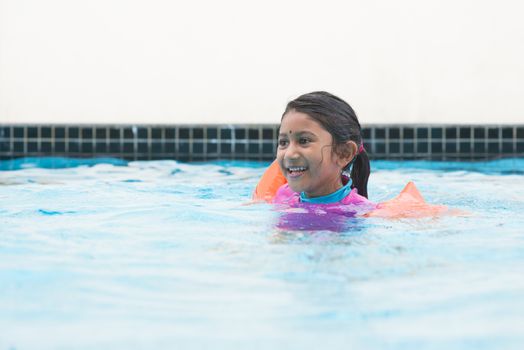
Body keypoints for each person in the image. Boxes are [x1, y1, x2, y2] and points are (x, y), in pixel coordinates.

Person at [253, 91, 451, 221]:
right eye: (283, 142)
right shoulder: (284, 196)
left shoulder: (359, 213)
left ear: (344, 153)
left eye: (304, 141)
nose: (289, 153)